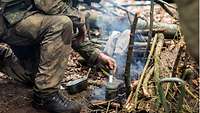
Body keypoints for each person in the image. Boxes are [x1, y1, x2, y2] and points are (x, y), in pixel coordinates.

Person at [0, 0, 117, 113]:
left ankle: (2, 57)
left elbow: (71, 31)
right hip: (7, 17)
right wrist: (79, 20)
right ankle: (45, 96)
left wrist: (96, 55)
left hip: (18, 17)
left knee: (33, 76)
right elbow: (48, 4)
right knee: (62, 24)